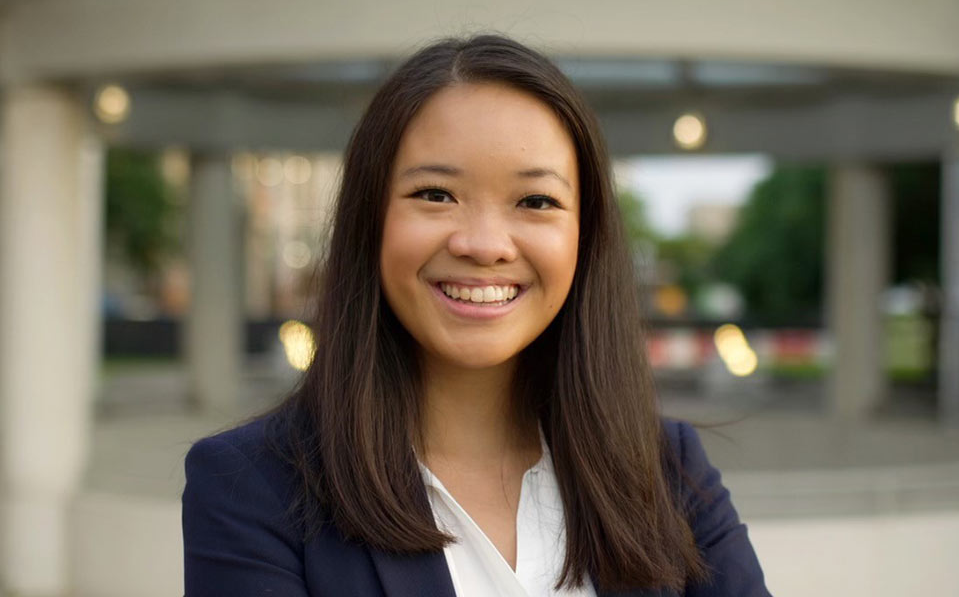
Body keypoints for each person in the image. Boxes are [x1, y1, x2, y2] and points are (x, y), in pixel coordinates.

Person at [182, 34, 771, 597]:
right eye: (436, 194)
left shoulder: (667, 472)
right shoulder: (252, 486)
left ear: (584, 239)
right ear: (371, 221)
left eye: (536, 201)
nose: (485, 244)